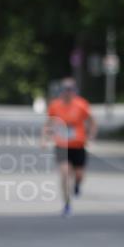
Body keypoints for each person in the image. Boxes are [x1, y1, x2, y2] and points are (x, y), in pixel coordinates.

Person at [42, 78, 97, 216]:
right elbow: (49, 123)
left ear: (74, 91)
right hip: (62, 145)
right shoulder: (55, 105)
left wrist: (91, 136)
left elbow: (92, 121)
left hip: (78, 144)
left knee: (79, 175)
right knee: (65, 173)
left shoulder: (81, 104)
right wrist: (45, 138)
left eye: (70, 90)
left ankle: (77, 185)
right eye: (65, 90)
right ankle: (67, 204)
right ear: (62, 91)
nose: (67, 93)